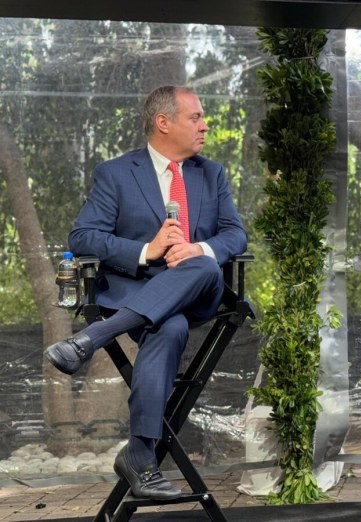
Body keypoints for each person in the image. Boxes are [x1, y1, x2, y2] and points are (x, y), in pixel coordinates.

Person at [44, 85, 247, 500]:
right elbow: (83, 236)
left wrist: (198, 249)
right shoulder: (116, 173)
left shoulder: (211, 173)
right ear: (163, 122)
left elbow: (235, 234)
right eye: (196, 117)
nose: (205, 125)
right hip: (141, 293)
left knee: (205, 264)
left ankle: (93, 339)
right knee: (168, 328)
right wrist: (145, 251)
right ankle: (140, 457)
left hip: (199, 291)